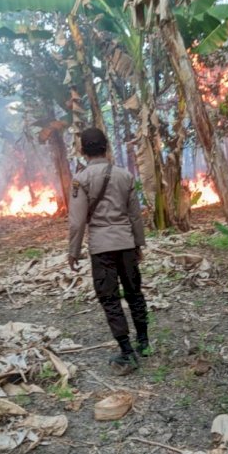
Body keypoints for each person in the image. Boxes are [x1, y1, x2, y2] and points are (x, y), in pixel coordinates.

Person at [68, 128, 149, 375]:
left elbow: (77, 221)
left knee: (110, 298)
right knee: (135, 293)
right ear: (107, 147)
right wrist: (138, 245)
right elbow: (135, 215)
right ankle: (143, 343)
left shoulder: (81, 179)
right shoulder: (125, 176)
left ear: (82, 150)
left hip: (101, 247)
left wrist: (73, 251)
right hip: (125, 243)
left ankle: (126, 350)